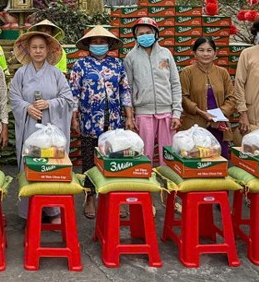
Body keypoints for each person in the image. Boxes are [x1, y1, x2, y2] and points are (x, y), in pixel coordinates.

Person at [70, 25, 134, 219]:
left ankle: (115, 196)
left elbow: (124, 90)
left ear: (108, 44)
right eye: (95, 42)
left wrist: (129, 116)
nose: (99, 44)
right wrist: (74, 116)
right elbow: (74, 93)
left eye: (102, 41)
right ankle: (90, 197)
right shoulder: (80, 65)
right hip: (89, 120)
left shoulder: (117, 65)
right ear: (89, 45)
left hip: (113, 120)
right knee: (89, 160)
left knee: (114, 158)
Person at [10, 30, 75, 219]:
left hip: (52, 131)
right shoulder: (21, 74)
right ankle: (30, 211)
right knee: (31, 165)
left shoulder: (57, 74)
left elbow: (68, 99)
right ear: (28, 50)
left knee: (52, 165)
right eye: (34, 47)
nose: (38, 51)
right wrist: (27, 107)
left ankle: (53, 210)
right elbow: (14, 98)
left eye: (41, 47)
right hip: (30, 129)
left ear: (48, 50)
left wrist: (50, 104)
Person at [123, 16, 182, 163]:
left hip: (167, 113)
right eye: (141, 34)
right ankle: (146, 179)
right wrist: (130, 116)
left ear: (155, 34)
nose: (145, 36)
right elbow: (128, 89)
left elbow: (175, 84)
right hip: (143, 114)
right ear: (135, 37)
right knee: (144, 155)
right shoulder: (131, 57)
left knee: (168, 156)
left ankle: (167, 177)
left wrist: (176, 113)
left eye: (148, 32)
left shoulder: (165, 54)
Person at [180, 36, 238, 157]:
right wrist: (202, 113)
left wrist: (217, 116)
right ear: (194, 53)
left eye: (209, 50)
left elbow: (231, 98)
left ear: (215, 53)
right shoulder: (187, 72)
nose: (205, 54)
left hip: (219, 126)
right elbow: (183, 97)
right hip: (195, 125)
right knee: (197, 159)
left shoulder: (223, 72)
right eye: (201, 50)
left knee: (219, 160)